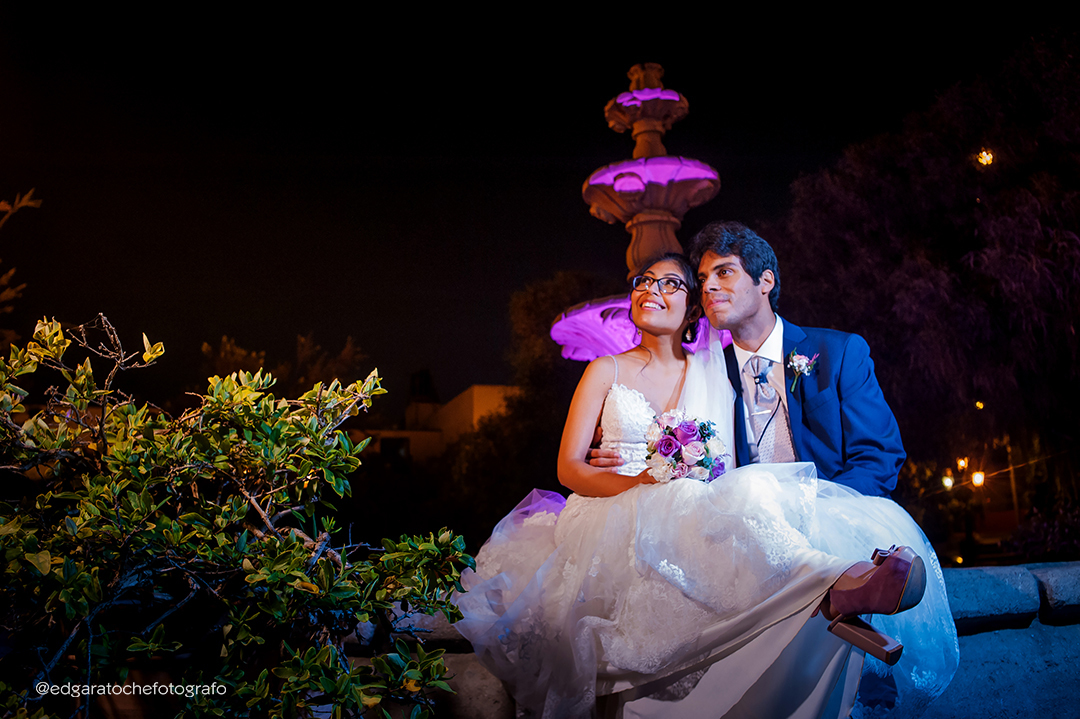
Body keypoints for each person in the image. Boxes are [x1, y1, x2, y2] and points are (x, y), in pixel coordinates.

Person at [454, 254, 957, 718]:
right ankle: (838, 585)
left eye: (671, 283)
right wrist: (637, 477)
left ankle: (831, 587)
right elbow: (568, 469)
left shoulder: (714, 369)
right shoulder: (603, 368)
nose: (652, 289)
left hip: (687, 504)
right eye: (643, 281)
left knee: (743, 493)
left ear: (692, 305)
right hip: (612, 507)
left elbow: (730, 456)